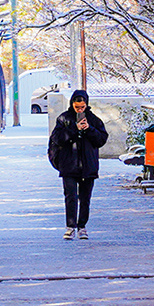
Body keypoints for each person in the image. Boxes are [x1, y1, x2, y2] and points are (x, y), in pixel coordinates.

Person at [47, 89, 107, 239]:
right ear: (72, 104)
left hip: (88, 166)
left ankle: (82, 226)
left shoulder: (94, 120)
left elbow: (101, 140)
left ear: (87, 105)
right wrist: (75, 128)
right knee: (71, 197)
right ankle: (70, 226)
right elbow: (57, 139)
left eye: (82, 107)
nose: (80, 110)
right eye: (77, 107)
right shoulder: (64, 119)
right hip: (69, 166)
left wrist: (89, 129)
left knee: (85, 199)